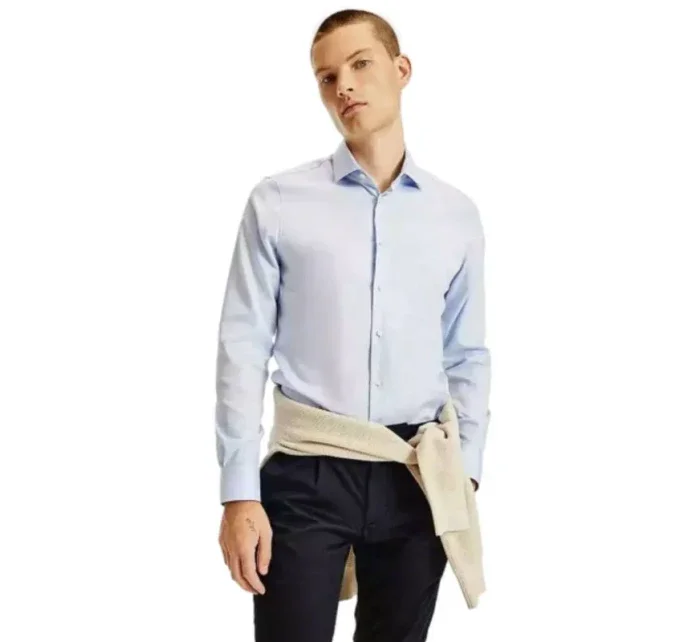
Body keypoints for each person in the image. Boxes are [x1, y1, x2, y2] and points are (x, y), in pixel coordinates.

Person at [216, 9, 491, 642]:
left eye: (360, 64)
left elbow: (467, 353)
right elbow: (242, 348)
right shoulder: (278, 202)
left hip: (417, 476)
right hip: (306, 471)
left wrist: (467, 469)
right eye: (327, 76)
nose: (343, 85)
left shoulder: (456, 215)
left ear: (402, 69)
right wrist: (238, 492)